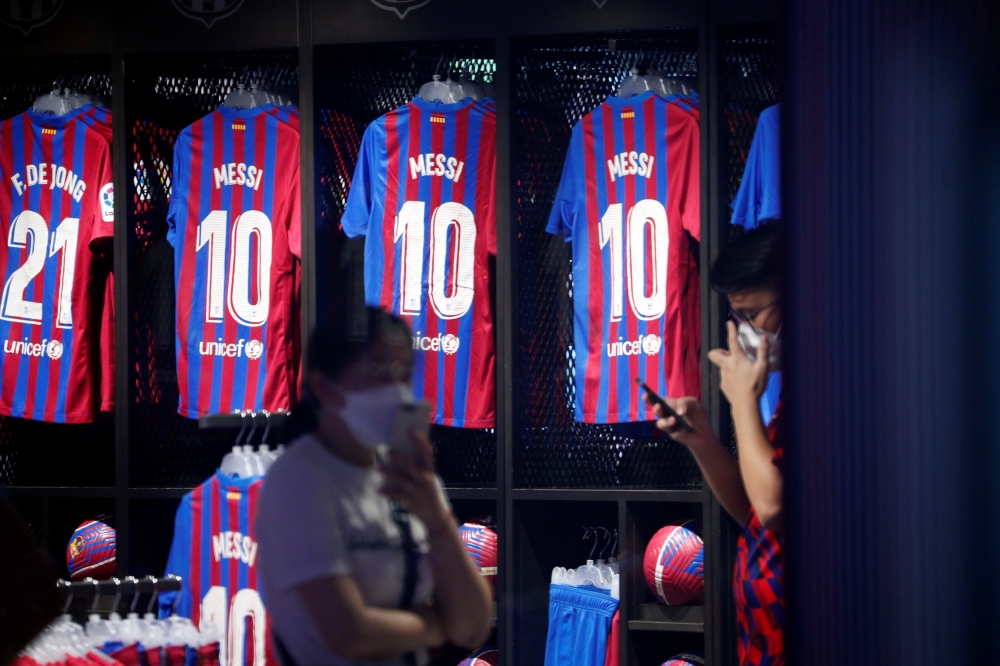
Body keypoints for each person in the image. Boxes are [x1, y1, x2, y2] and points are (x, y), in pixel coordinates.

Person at [256, 308, 493, 666]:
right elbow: (349, 632)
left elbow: (473, 627)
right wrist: (434, 625)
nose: (395, 390)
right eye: (379, 373)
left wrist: (437, 518)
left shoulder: (405, 470)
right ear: (324, 388)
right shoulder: (298, 479)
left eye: (403, 375)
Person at [646, 223, 785, 666]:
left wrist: (744, 401)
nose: (744, 331)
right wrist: (702, 439)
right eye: (736, 317)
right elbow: (754, 509)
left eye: (753, 314)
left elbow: (774, 507)